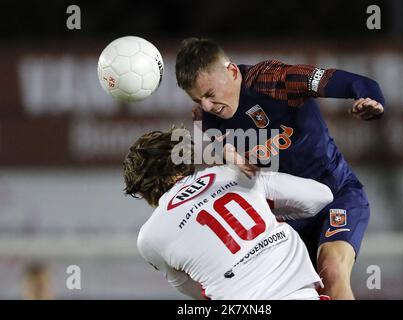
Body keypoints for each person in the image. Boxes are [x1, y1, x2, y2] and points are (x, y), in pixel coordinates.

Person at [175, 38, 386, 299]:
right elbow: (218, 155)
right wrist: (230, 158)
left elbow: (355, 83)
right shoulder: (207, 118)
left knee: (331, 272)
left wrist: (371, 101)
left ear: (230, 71)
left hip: (335, 194)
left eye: (209, 95)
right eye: (197, 99)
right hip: (284, 219)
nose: (206, 105)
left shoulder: (273, 81)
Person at [124, 128, 333, 300]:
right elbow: (321, 196)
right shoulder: (232, 172)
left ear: (142, 191)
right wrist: (267, 208)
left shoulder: (149, 238)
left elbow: (198, 292)